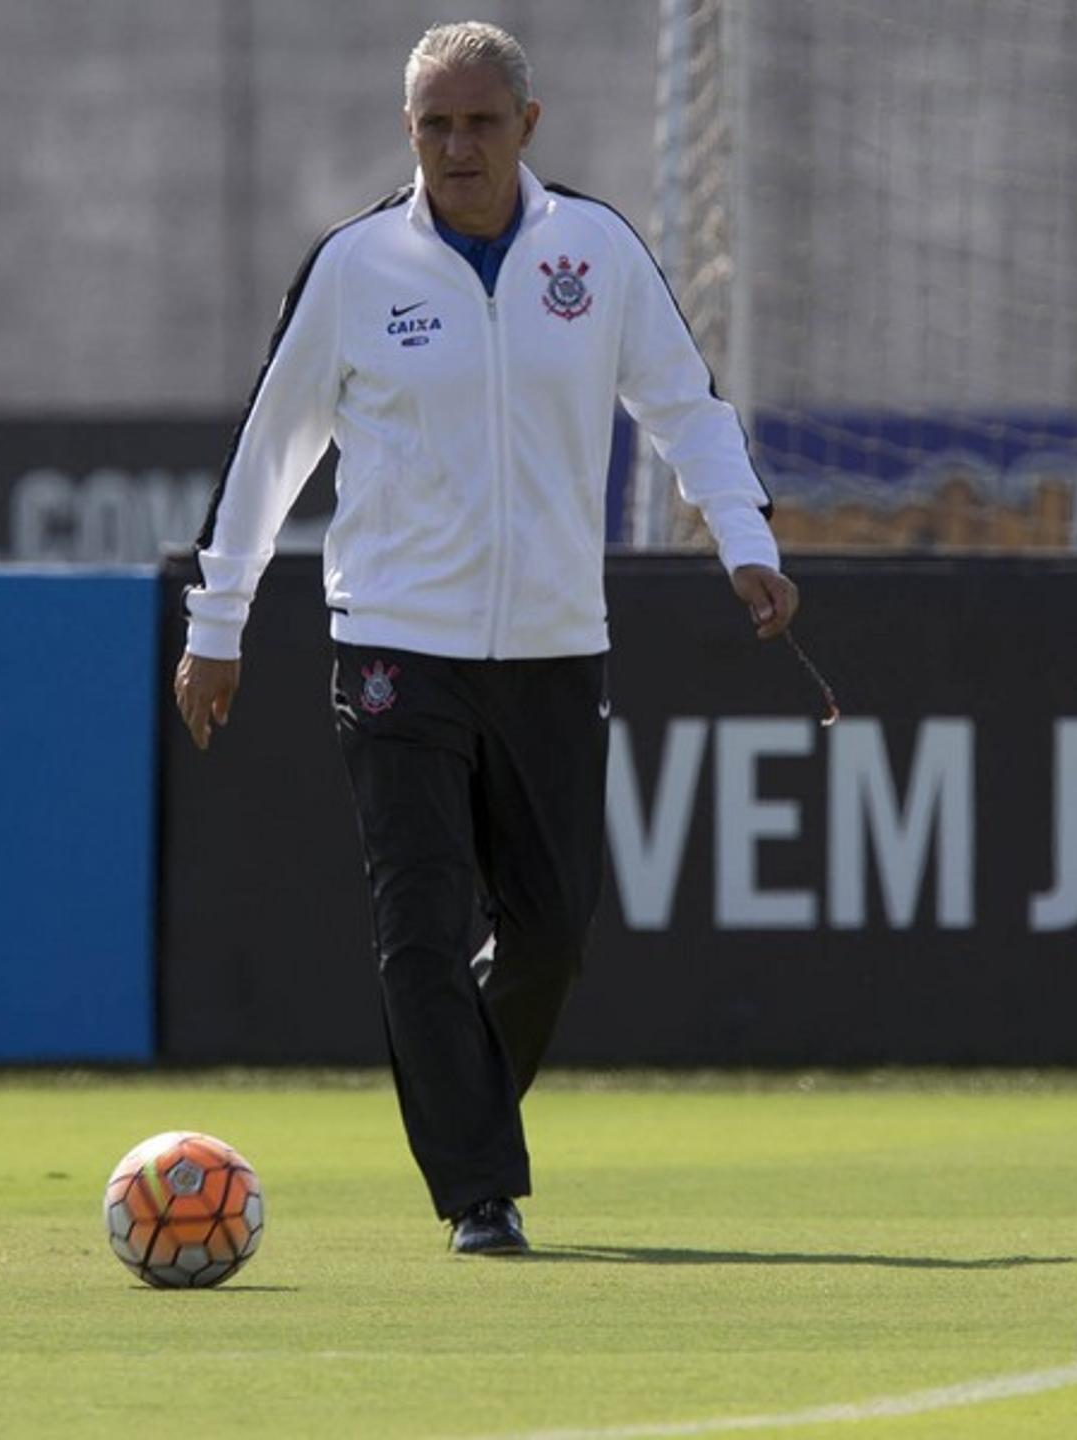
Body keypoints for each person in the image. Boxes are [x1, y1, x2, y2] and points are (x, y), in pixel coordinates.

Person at [174, 20, 798, 1255]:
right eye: (434, 125)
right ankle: (478, 1193)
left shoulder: (598, 250)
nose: (457, 147)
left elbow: (686, 404)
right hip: (396, 643)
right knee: (419, 923)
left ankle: (448, 1085)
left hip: (558, 647)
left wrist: (747, 541)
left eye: (480, 123)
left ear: (530, 126)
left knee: (555, 933)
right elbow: (269, 453)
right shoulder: (355, 268)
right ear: (409, 132)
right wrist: (218, 620)